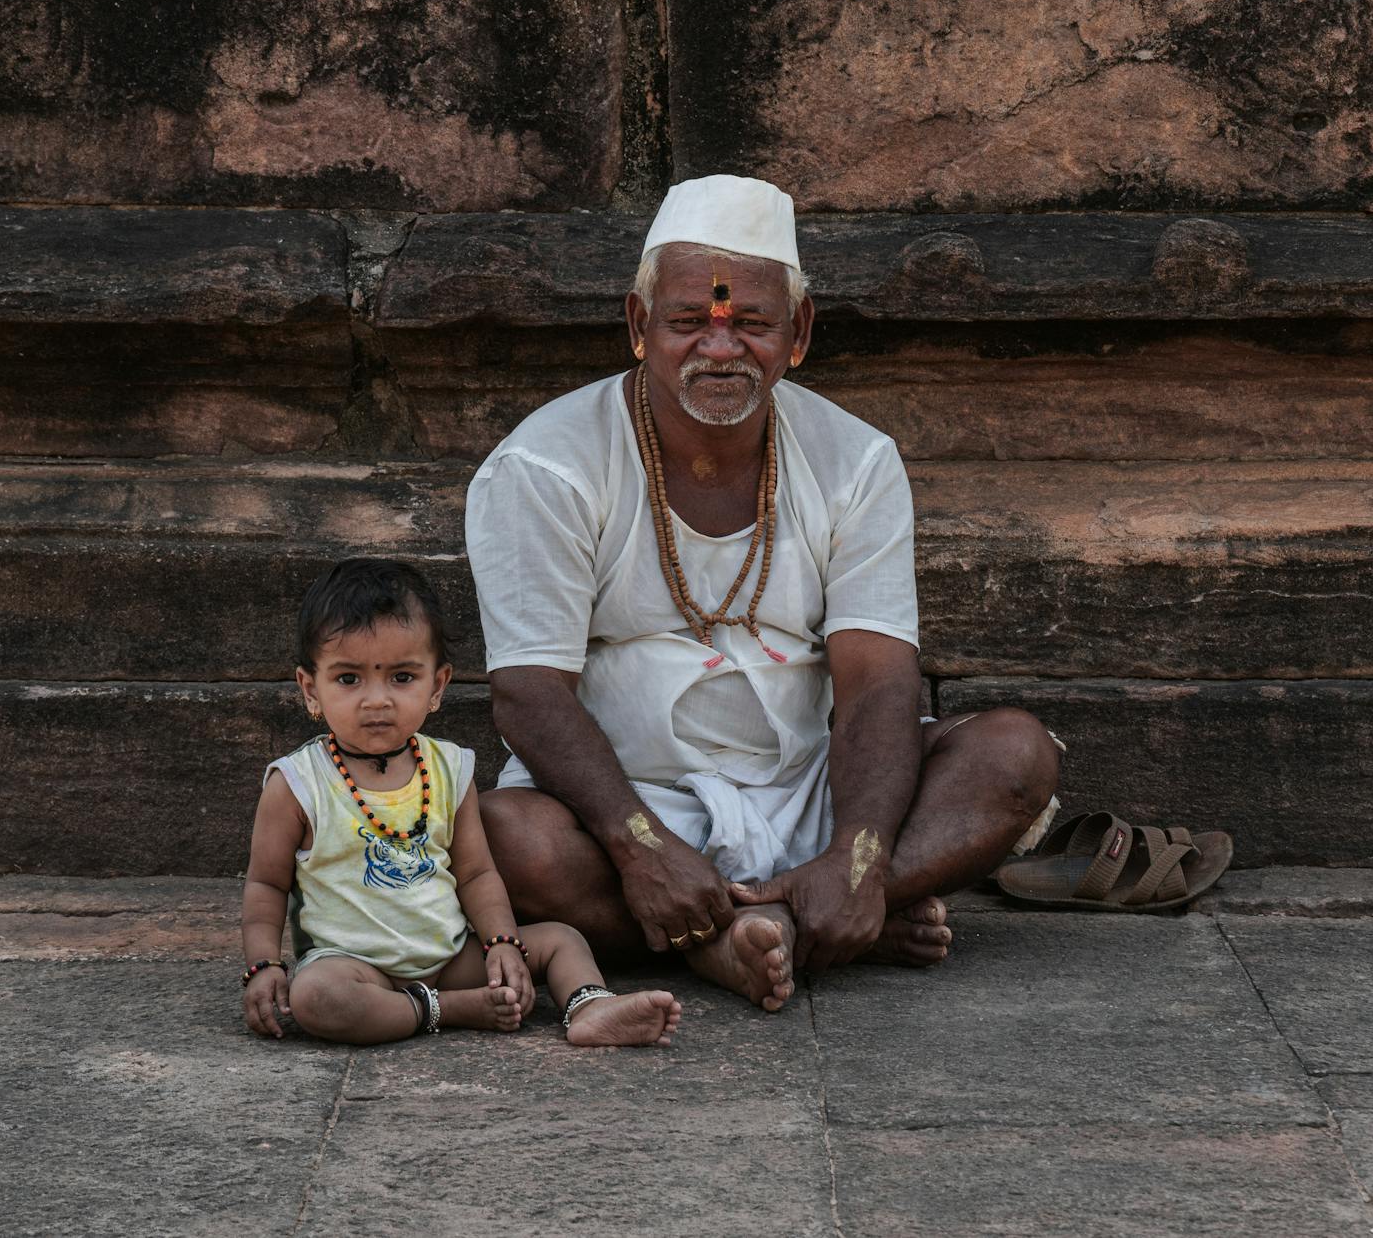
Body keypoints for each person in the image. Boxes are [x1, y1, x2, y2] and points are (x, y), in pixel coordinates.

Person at [466, 175, 1062, 1012]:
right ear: (639, 327)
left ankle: (780, 914)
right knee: (506, 835)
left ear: (799, 332)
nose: (719, 348)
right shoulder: (544, 467)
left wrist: (856, 855)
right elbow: (528, 695)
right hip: (631, 803)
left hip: (813, 787)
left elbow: (878, 684)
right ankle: (774, 932)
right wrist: (641, 849)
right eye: (688, 323)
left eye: (751, 323)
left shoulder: (854, 459)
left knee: (1014, 758)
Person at [240, 557, 682, 1047]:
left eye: (402, 677)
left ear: (438, 685)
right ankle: (450, 1011)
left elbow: (475, 874)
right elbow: (266, 884)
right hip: (355, 968)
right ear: (310, 689)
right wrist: (264, 965)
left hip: (451, 957)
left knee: (561, 939)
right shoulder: (298, 784)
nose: (377, 700)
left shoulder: (449, 769)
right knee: (317, 997)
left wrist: (501, 942)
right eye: (349, 679)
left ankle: (590, 1006)